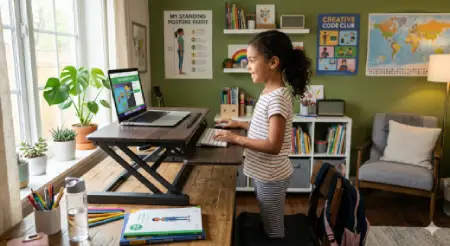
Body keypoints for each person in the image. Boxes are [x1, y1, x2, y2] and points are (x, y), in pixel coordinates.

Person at [214, 30, 312, 239]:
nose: (247, 66)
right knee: (267, 216)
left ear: (273, 62)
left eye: (251, 60)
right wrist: (239, 124)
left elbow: (273, 145)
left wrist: (236, 138)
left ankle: (277, 240)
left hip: (271, 176)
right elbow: (262, 128)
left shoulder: (276, 98)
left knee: (273, 227)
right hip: (266, 174)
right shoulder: (269, 92)